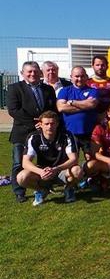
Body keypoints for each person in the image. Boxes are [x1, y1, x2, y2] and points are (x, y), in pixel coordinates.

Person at [7, 61, 57, 203]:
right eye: (29, 71)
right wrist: (34, 123)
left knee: (47, 160)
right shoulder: (14, 88)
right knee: (18, 163)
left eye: (35, 71)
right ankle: (19, 191)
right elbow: (13, 110)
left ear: (40, 73)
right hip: (22, 132)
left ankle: (48, 184)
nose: (32, 74)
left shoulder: (48, 89)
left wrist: (44, 124)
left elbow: (52, 109)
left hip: (45, 133)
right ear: (22, 73)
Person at [16, 111, 83, 206]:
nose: (49, 126)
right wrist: (40, 171)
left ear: (57, 124)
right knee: (21, 177)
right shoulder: (33, 137)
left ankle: (69, 189)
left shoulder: (67, 135)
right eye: (46, 124)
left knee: (77, 170)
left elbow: (74, 159)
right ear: (40, 125)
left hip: (61, 170)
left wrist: (56, 169)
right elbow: (25, 163)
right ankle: (42, 190)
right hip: (43, 172)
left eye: (52, 123)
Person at [57, 66, 98, 160]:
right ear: (71, 77)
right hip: (70, 133)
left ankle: (89, 175)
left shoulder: (93, 91)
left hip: (89, 132)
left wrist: (72, 102)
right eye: (76, 76)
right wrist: (85, 105)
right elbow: (61, 107)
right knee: (71, 160)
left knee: (90, 159)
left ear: (87, 77)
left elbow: (92, 104)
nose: (79, 79)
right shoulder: (64, 91)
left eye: (82, 76)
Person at [87, 55, 110, 120]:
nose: (100, 67)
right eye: (97, 65)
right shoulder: (87, 83)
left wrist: (105, 114)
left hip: (109, 118)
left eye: (102, 65)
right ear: (92, 66)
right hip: (90, 117)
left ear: (107, 66)